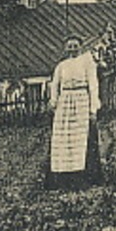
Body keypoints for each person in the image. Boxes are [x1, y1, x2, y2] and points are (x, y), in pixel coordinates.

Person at [46, 35, 101, 189]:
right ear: (65, 48)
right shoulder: (61, 66)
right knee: (64, 139)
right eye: (69, 46)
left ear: (81, 46)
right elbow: (54, 85)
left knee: (81, 138)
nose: (72, 48)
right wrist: (54, 102)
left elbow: (93, 85)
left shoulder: (87, 63)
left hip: (81, 101)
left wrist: (93, 108)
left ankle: (83, 176)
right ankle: (63, 176)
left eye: (75, 45)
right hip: (64, 104)